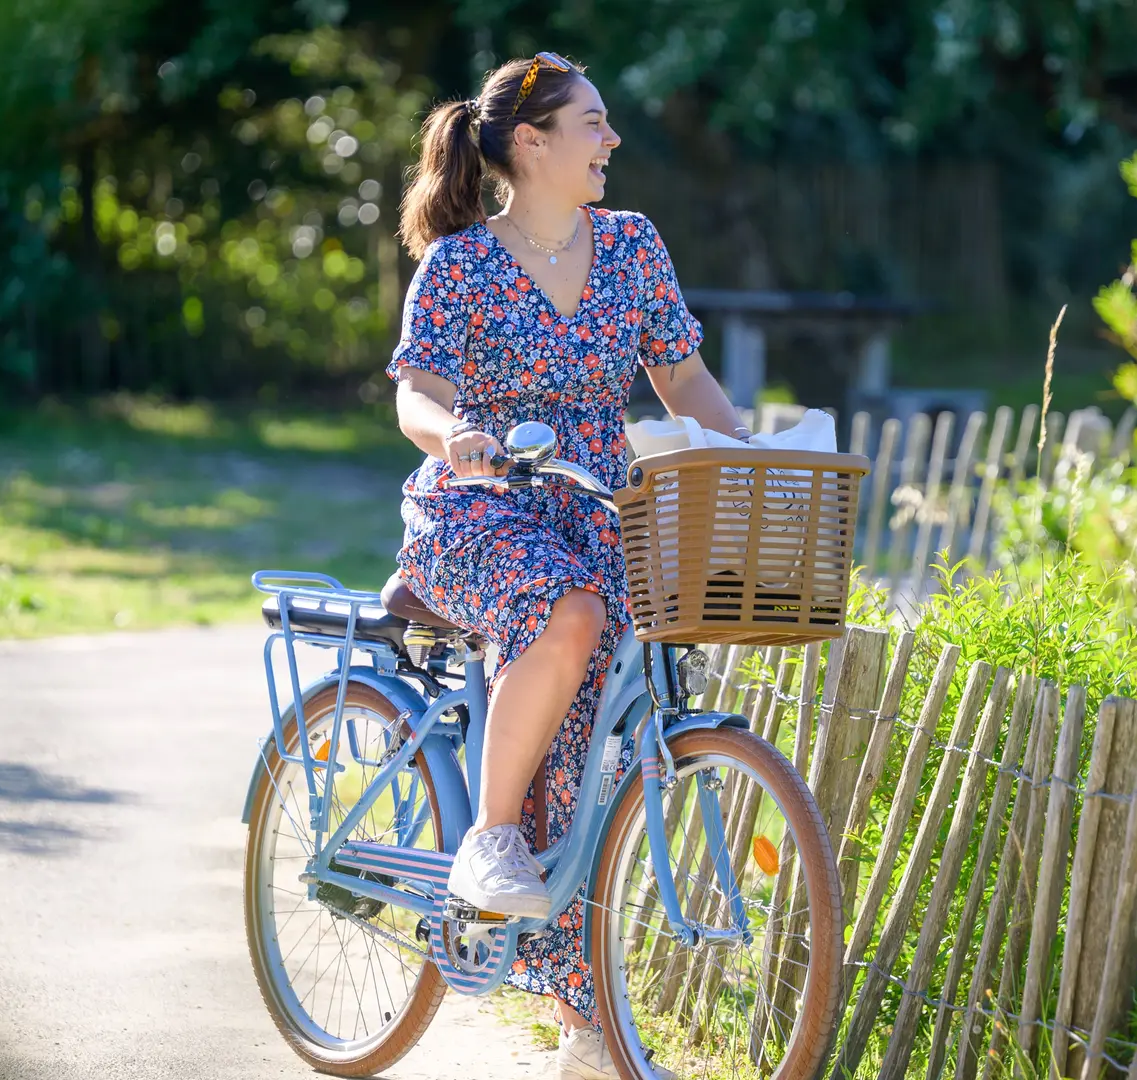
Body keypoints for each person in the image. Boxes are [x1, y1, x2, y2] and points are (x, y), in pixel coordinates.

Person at [387, 51, 747, 1080]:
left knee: (602, 749)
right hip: (480, 504)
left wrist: (747, 453)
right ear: (531, 142)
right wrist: (456, 436)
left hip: (594, 508)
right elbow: (415, 395)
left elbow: (682, 377)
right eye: (592, 122)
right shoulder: (460, 265)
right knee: (571, 614)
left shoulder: (631, 245)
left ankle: (585, 1029)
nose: (611, 139)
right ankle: (490, 838)